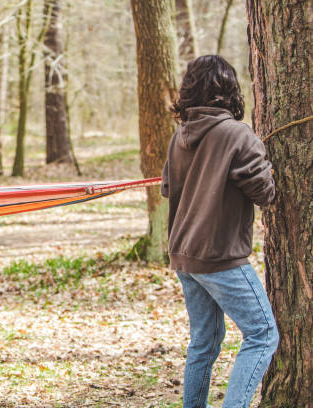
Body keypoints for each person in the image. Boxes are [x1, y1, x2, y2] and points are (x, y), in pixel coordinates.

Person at [161, 55, 279, 408]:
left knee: (204, 342)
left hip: (184, 256)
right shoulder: (235, 133)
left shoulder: (179, 136)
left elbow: (168, 188)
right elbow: (265, 193)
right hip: (219, 257)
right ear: (228, 91)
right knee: (263, 335)